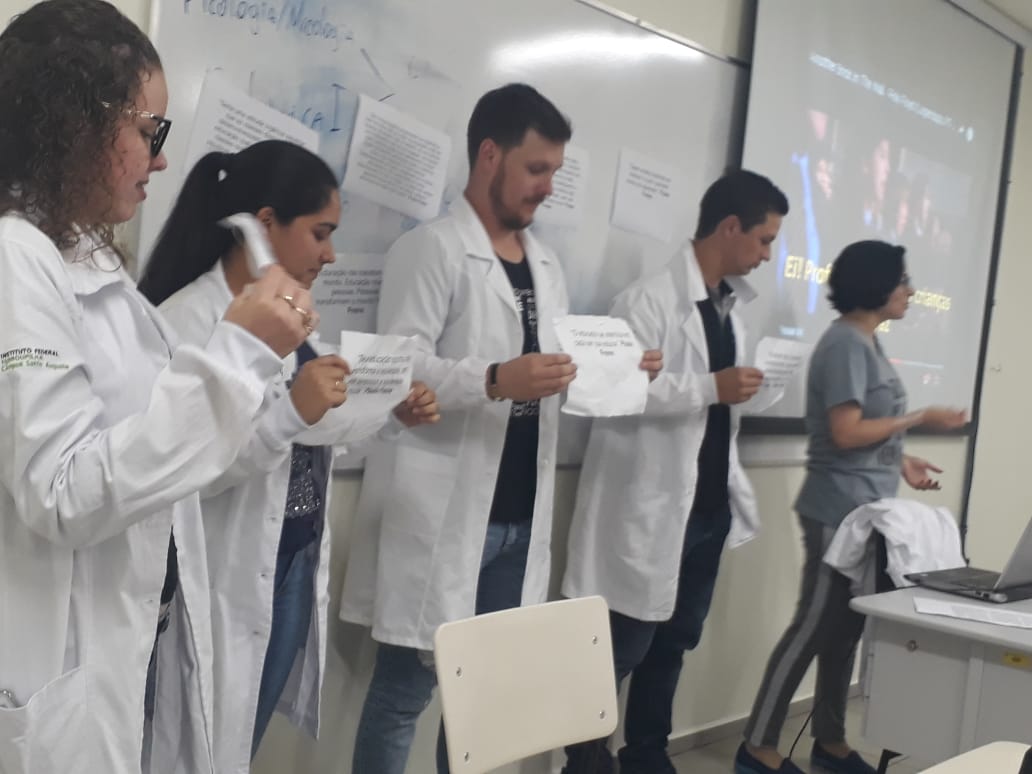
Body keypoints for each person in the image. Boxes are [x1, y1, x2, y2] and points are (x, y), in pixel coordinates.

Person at [0, 2, 313, 772]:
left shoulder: (82, 256)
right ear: (77, 121)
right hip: (62, 668)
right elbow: (62, 492)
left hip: (131, 639)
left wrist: (248, 368)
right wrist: (236, 355)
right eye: (150, 132)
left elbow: (159, 444)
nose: (161, 160)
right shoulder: (15, 258)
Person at [339, 82, 659, 774]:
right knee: (404, 693)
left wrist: (621, 367)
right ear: (490, 154)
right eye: (536, 168)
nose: (547, 187)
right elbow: (400, 365)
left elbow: (553, 369)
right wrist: (491, 379)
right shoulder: (430, 249)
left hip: (518, 516)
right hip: (445, 510)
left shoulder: (544, 265)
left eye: (555, 171)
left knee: (483, 701)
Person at [137, 139, 441, 772]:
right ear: (266, 223)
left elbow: (318, 426)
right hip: (219, 573)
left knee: (237, 743)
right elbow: (178, 472)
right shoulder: (184, 322)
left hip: (290, 564)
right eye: (320, 233)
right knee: (191, 748)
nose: (330, 254)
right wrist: (291, 414)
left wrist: (389, 412)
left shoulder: (293, 316)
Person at [561, 169, 789, 774]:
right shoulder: (648, 300)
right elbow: (613, 392)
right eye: (764, 240)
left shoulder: (730, 309)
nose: (768, 255)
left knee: (675, 640)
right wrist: (711, 387)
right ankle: (585, 762)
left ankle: (646, 754)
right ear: (730, 227)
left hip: (706, 507)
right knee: (620, 648)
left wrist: (741, 390)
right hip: (649, 504)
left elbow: (710, 401)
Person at [736, 240, 967, 774]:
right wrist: (918, 419)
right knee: (814, 626)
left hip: (865, 509)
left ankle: (831, 743)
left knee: (845, 632)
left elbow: (866, 427)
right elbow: (843, 432)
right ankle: (757, 747)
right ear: (876, 284)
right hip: (835, 509)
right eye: (903, 281)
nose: (911, 291)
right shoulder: (844, 343)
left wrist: (900, 458)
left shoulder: (868, 342)